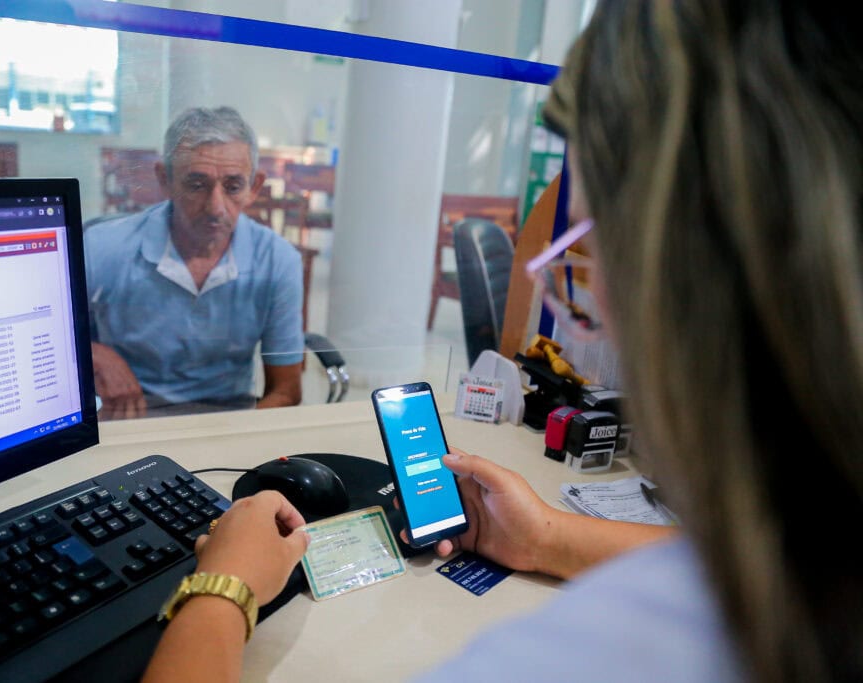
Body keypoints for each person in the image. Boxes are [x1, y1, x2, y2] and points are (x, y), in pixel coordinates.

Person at [142, 2, 863, 682]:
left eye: (587, 264)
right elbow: (741, 566)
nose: (581, 323)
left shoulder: (594, 654)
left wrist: (224, 586)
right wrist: (544, 535)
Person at [85, 106, 305, 420]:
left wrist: (231, 435)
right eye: (197, 185)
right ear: (165, 180)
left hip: (227, 418)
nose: (216, 208)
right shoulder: (104, 247)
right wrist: (95, 353)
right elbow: (46, 338)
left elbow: (285, 391)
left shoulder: (277, 260)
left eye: (233, 187)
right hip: (127, 416)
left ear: (254, 187)